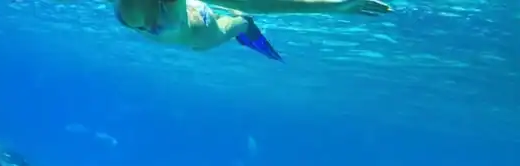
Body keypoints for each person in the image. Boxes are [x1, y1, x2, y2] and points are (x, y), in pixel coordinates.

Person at [114, 0, 391, 61]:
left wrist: (336, 6)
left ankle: (244, 25)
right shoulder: (132, 9)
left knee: (231, 26)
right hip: (187, 21)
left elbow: (258, 4)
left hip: (202, 30)